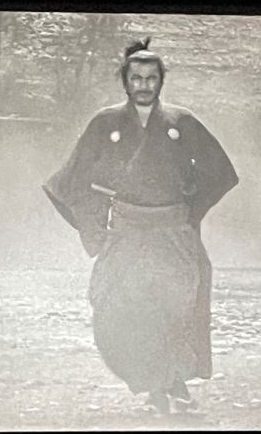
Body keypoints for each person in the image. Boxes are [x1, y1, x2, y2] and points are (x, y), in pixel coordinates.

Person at [43, 37, 239, 413]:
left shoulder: (182, 122)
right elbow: (72, 179)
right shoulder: (105, 122)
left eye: (151, 78)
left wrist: (190, 212)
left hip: (172, 234)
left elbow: (220, 173)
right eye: (137, 77)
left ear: (161, 81)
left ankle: (173, 381)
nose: (144, 85)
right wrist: (95, 223)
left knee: (176, 307)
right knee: (124, 308)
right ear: (125, 80)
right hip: (128, 232)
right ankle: (154, 385)